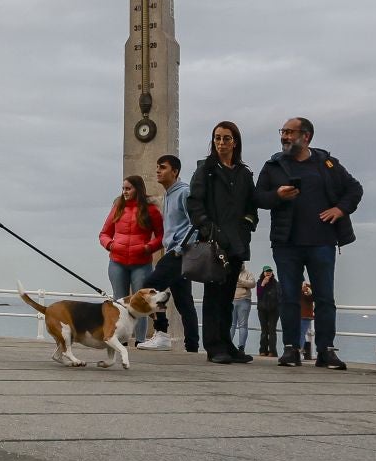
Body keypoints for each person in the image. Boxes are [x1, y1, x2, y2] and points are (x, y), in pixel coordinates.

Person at [254, 117, 365, 371]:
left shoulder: (327, 164)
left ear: (306, 137)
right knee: (289, 297)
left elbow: (354, 189)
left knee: (325, 298)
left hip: (322, 242)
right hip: (286, 243)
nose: (284, 137)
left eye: (290, 132)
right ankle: (291, 349)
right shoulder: (273, 165)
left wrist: (340, 209)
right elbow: (258, 197)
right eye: (282, 132)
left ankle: (326, 350)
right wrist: (277, 196)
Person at [186, 121, 260, 365]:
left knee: (228, 296)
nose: (221, 142)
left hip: (237, 243)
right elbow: (194, 203)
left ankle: (227, 344)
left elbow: (252, 206)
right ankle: (214, 346)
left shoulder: (244, 173)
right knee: (214, 296)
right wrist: (207, 228)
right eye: (217, 138)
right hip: (214, 243)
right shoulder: (205, 170)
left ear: (235, 141)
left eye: (226, 138)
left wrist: (247, 225)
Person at [139, 154, 199, 353]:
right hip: (176, 251)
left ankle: (162, 334)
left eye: (162, 167)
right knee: (184, 300)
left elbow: (196, 223)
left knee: (149, 288)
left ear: (175, 172)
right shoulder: (168, 194)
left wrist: (181, 248)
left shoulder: (184, 193)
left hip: (179, 252)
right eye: (157, 167)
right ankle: (192, 345)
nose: (158, 170)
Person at [99, 176, 163, 346]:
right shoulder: (117, 208)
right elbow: (104, 234)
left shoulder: (151, 210)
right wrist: (110, 245)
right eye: (123, 189)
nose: (125, 192)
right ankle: (120, 340)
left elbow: (161, 236)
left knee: (141, 303)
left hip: (141, 263)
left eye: (128, 188)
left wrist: (147, 248)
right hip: (117, 262)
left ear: (138, 189)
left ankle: (140, 341)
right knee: (119, 301)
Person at [232, 263, 256, 357]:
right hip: (232, 300)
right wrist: (244, 284)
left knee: (243, 325)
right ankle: (228, 344)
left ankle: (241, 347)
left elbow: (252, 284)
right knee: (231, 325)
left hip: (244, 300)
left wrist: (239, 281)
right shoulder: (231, 272)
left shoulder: (248, 273)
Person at [255, 266, 279, 357]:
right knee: (264, 330)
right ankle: (263, 350)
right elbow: (259, 294)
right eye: (266, 271)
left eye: (270, 271)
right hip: (262, 309)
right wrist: (263, 284)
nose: (268, 273)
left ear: (272, 273)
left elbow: (278, 296)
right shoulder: (259, 282)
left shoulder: (276, 283)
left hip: (274, 310)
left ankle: (272, 351)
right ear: (263, 273)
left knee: (272, 330)